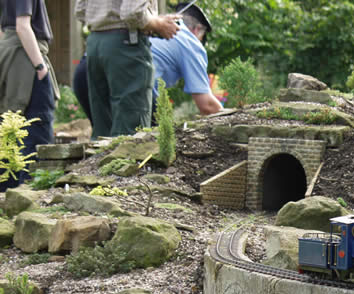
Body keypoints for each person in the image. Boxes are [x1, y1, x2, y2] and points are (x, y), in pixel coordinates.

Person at [73, 3, 222, 126]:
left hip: (87, 64)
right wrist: (231, 118)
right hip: (124, 58)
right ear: (197, 30)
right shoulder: (191, 43)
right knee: (147, 137)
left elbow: (80, 10)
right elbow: (207, 105)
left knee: (103, 139)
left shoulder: (158, 31)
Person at [74, 0, 180, 140]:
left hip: (96, 42)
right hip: (126, 45)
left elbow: (80, 10)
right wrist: (159, 24)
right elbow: (132, 12)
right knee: (131, 136)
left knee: (102, 132)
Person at [0, 0, 59, 191]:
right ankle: (31, 190)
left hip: (10, 54)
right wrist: (40, 66)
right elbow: (23, 26)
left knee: (10, 126)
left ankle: (7, 191)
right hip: (25, 58)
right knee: (37, 125)